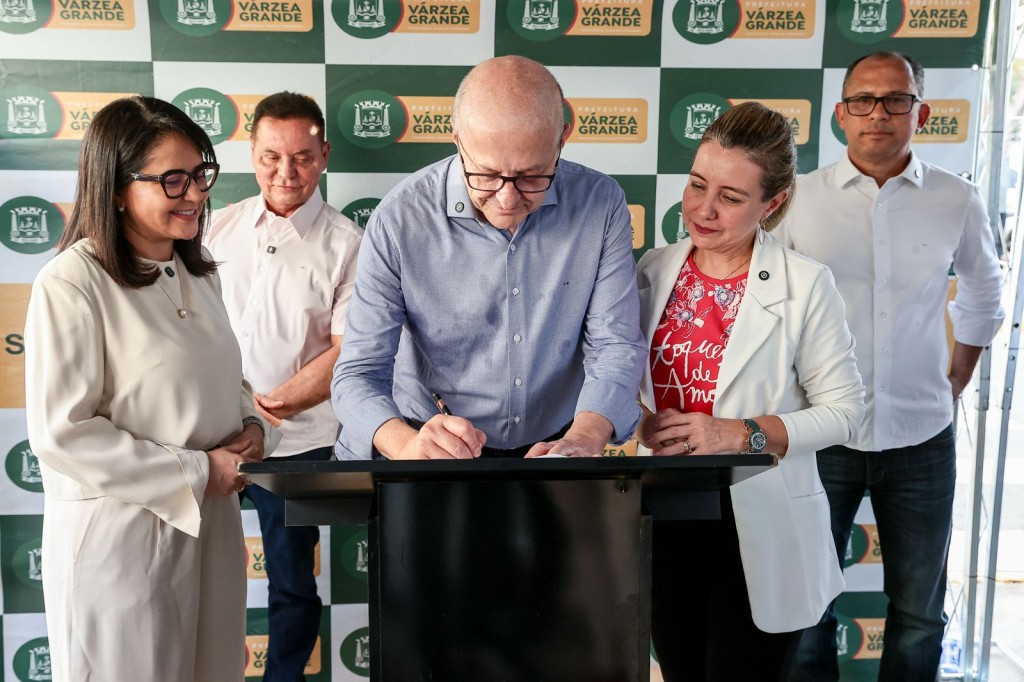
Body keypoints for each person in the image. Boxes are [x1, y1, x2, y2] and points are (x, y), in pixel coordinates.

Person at [23, 96, 276, 682]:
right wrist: (198, 470)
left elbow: (222, 377)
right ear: (116, 189)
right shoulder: (72, 282)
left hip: (211, 529)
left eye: (200, 174)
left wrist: (253, 424)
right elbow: (63, 432)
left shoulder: (199, 270)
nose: (195, 194)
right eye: (172, 179)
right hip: (121, 541)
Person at [778, 52, 1005, 681]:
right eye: (863, 100)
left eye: (896, 99)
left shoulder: (957, 198)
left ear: (920, 113)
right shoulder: (798, 200)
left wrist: (957, 378)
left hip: (922, 436)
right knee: (807, 607)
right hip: (821, 434)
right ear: (840, 114)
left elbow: (985, 291)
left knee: (920, 614)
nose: (878, 113)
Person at [636, 101, 866, 681]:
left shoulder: (806, 284)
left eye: (731, 197)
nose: (703, 209)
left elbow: (846, 412)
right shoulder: (651, 270)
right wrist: (636, 419)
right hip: (663, 514)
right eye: (697, 185)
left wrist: (741, 433)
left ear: (773, 203)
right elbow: (623, 380)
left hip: (761, 524)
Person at [332, 55, 646, 460]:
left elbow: (614, 344)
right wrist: (407, 446)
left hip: (558, 443)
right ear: (456, 137)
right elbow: (358, 373)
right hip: (428, 441)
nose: (507, 199)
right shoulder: (400, 219)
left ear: (562, 138)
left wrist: (584, 438)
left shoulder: (600, 204)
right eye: (485, 175)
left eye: (532, 176)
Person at [206, 91, 362, 681]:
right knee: (194, 569)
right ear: (252, 154)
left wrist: (261, 415)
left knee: (293, 583)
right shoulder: (216, 227)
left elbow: (347, 352)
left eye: (301, 157)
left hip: (296, 443)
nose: (286, 172)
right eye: (272, 156)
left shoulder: (348, 244)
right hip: (208, 439)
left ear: (324, 156)